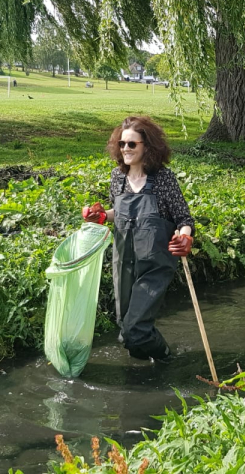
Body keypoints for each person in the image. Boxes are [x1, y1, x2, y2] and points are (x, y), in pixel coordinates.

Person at [82, 116, 194, 362]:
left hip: (154, 266)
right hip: (123, 263)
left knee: (136, 330)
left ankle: (166, 358)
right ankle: (154, 369)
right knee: (126, 333)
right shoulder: (117, 178)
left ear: (148, 147)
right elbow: (118, 212)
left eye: (132, 144)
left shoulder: (163, 180)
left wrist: (185, 238)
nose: (125, 149)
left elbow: (184, 219)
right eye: (122, 144)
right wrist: (101, 216)